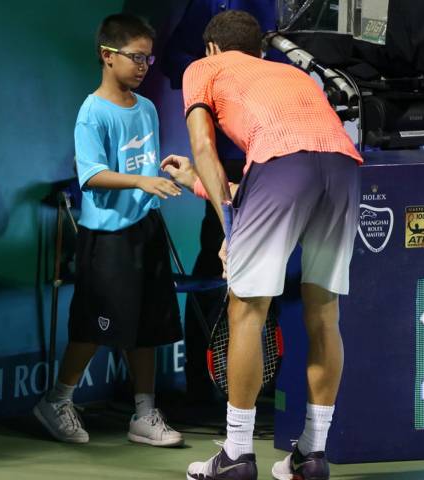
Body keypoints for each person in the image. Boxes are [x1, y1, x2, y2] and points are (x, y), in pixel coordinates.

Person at [162, 10, 363, 480]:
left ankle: (236, 454)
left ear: (212, 48)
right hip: (343, 166)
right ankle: (311, 456)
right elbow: (277, 171)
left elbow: (207, 149)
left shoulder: (204, 68)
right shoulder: (290, 75)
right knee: (323, 313)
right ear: (260, 50)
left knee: (246, 311)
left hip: (281, 165)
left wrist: (230, 232)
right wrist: (197, 184)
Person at [33, 13, 186, 447]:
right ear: (107, 56)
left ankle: (144, 413)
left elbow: (140, 164)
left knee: (148, 326)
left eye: (148, 59)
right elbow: (94, 174)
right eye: (135, 57)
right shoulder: (92, 112)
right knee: (95, 325)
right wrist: (140, 180)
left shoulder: (149, 109)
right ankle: (57, 400)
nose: (143, 66)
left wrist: (160, 171)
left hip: (147, 229)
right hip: (108, 237)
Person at [161, 0, 278, 406]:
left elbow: (280, 62)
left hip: (270, 151)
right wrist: (216, 77)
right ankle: (202, 381)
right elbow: (172, 57)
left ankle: (269, 385)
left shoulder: (271, 8)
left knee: (273, 272)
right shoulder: (206, 10)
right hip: (226, 153)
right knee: (217, 262)